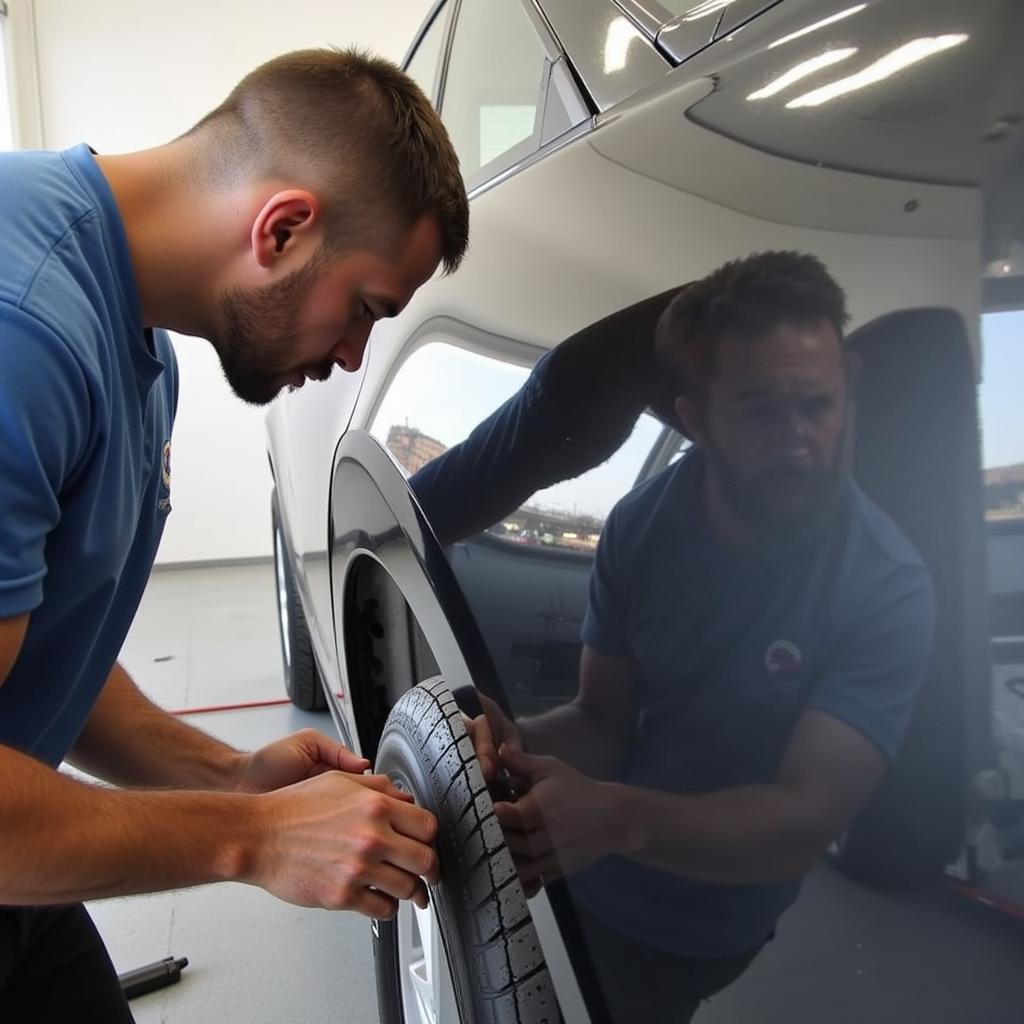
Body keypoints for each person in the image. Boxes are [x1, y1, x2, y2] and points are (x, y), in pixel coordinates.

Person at [0, 48, 468, 1021]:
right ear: (284, 227)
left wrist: (236, 781)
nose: (351, 357)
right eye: (366, 310)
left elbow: (43, 652)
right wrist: (250, 840)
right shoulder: (23, 336)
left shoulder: (134, 339)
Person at [463, 251, 936, 1022]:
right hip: (581, 874)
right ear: (696, 416)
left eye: (817, 405)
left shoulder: (887, 586)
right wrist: (516, 743)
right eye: (758, 409)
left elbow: (802, 821)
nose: (797, 440)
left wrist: (616, 818)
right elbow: (602, 720)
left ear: (848, 388)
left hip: (697, 925)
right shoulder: (643, 527)